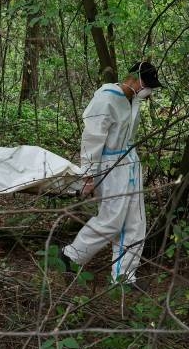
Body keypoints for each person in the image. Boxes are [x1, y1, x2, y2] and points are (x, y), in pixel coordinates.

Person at [59, 60, 161, 287]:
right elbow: (92, 138)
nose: (148, 91)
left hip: (130, 163)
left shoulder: (133, 100)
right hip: (109, 165)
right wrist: (88, 176)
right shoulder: (106, 99)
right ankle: (71, 255)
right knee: (112, 220)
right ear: (134, 79)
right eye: (146, 85)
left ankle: (124, 276)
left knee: (136, 222)